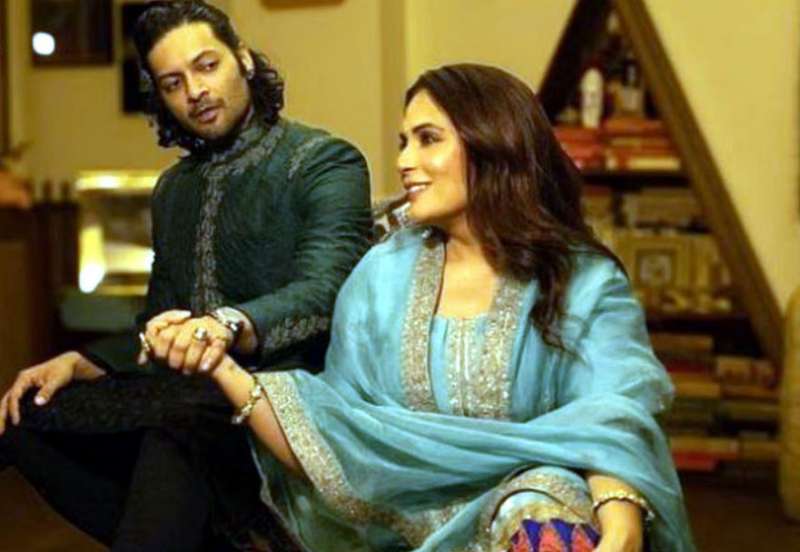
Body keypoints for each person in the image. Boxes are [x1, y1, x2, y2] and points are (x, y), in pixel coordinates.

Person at [204, 64, 696, 551]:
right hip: (403, 527)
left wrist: (620, 524)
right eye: (403, 143)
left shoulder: (579, 279)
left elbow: (614, 415)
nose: (404, 161)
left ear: (491, 142)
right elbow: (342, 437)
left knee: (539, 500)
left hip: (538, 519)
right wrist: (219, 363)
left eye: (428, 139)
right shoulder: (381, 276)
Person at [0, 1, 370, 550]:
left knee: (179, 427)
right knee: (24, 417)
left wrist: (226, 325)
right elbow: (158, 318)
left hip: (283, 390)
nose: (195, 91)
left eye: (207, 66)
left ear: (243, 60)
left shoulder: (323, 161)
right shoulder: (174, 189)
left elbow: (327, 290)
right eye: (173, 83)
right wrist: (85, 362)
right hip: (187, 393)